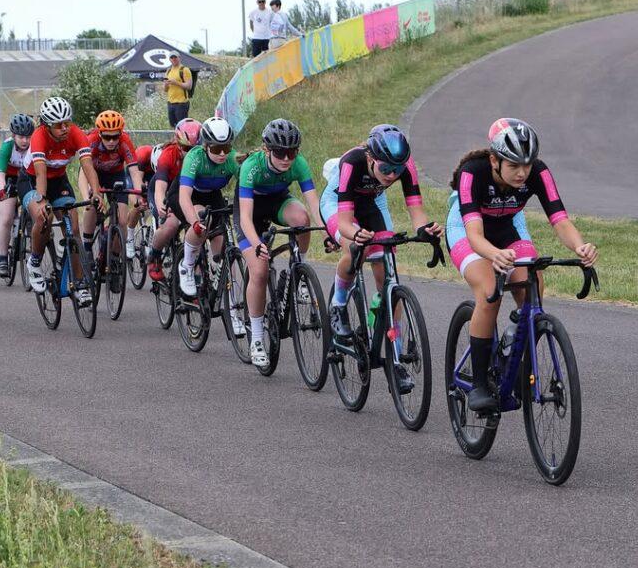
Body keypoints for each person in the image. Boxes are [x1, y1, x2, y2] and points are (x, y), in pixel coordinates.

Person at [446, 118, 597, 412]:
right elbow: (474, 235)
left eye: (527, 165)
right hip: (467, 230)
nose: (522, 173)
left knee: (533, 285)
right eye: (514, 165)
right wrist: (493, 254)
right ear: (494, 160)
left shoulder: (538, 172)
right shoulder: (472, 173)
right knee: (489, 292)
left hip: (507, 227)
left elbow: (560, 220)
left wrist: (580, 246)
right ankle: (479, 384)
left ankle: (511, 347)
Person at [326, 125, 444, 393]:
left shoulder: (404, 165)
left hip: (370, 203)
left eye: (397, 170)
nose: (392, 175)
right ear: (370, 158)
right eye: (386, 169)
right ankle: (338, 305)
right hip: (337, 204)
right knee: (354, 249)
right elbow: (344, 222)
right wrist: (356, 235)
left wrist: (425, 230)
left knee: (387, 271)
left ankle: (394, 357)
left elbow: (416, 211)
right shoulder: (353, 163)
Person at [236, 118, 326, 368]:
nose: (286, 158)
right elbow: (245, 217)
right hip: (250, 212)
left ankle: (300, 270)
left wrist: (327, 233)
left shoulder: (299, 164)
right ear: (267, 150)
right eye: (279, 153)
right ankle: (256, 338)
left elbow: (314, 203)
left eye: (292, 152)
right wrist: (257, 244)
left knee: (302, 219)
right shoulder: (251, 167)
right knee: (260, 271)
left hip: (278, 202)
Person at [23, 96, 104, 305]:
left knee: (74, 228)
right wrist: (42, 200)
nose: (65, 128)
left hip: (59, 180)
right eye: (59, 125)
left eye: (67, 122)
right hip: (32, 180)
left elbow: (88, 166)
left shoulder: (75, 133)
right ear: (47, 125)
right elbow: (40, 174)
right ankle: (34, 262)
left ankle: (79, 284)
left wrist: (96, 192)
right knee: (44, 217)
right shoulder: (39, 136)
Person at [174, 117, 243, 333]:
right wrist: (194, 222)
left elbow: (247, 189)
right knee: (202, 221)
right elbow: (184, 196)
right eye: (216, 148)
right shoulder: (194, 157)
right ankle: (186, 266)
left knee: (223, 250)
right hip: (187, 194)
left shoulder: (231, 159)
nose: (222, 154)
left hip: (213, 195)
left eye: (226, 148)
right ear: (205, 146)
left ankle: (233, 312)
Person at [79, 110, 143, 259]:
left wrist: (140, 195)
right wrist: (86, 198)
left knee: (122, 220)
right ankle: (87, 247)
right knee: (91, 206)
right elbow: (83, 174)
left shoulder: (125, 142)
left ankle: (114, 256)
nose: (111, 141)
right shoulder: (91, 141)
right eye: (107, 137)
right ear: (100, 134)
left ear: (121, 134)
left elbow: (134, 172)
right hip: (94, 174)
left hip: (116, 175)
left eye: (115, 137)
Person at [146, 118, 202, 282]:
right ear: (177, 143)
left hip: (186, 192)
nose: (190, 153)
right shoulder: (168, 155)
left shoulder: (202, 156)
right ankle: (154, 256)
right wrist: (161, 206)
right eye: (186, 148)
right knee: (170, 225)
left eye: (195, 148)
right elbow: (160, 188)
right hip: (164, 190)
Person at [0, 113, 36, 277]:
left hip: (28, 178)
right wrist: (3, 190)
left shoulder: (35, 145)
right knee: (7, 218)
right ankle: (3, 257)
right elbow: (0, 174)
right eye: (21, 137)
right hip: (9, 180)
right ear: (13, 135)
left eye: (28, 137)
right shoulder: (7, 146)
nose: (25, 141)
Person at [163, 52, 193, 128]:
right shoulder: (168, 71)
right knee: (173, 127)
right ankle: (175, 136)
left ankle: (183, 136)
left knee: (182, 127)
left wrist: (176, 83)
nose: (173, 59)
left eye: (175, 57)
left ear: (179, 58)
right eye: (171, 57)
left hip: (181, 103)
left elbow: (189, 86)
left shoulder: (185, 70)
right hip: (170, 103)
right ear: (169, 59)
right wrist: (166, 84)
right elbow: (165, 90)